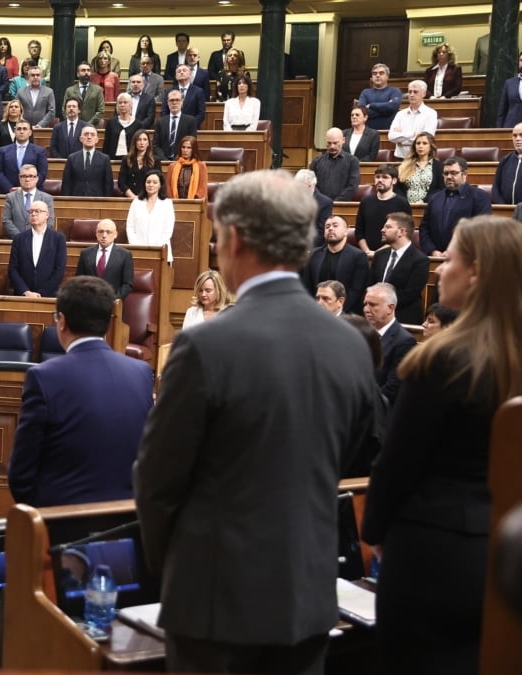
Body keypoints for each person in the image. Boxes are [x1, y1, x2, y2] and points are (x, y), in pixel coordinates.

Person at [135, 170, 380, 675]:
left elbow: (157, 483)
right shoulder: (351, 344)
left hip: (215, 603)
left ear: (235, 239)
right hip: (309, 597)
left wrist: (175, 569)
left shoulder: (206, 345)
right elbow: (347, 453)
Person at [363, 215, 522, 673]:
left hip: (433, 553)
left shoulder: (443, 358)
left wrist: (373, 533)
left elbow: (398, 462)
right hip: (505, 557)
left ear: (475, 273)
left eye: (449, 258)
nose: (440, 268)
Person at [10, 275, 153, 505]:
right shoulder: (141, 374)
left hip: (62, 526)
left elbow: (21, 475)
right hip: (127, 522)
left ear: (62, 321)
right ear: (107, 322)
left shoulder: (43, 377)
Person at [420, 157, 493, 255]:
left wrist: (453, 252)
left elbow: (481, 230)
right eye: (446, 173)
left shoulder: (480, 197)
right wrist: (433, 251)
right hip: (436, 257)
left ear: (465, 174)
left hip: (465, 257)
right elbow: (424, 228)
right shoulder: (435, 198)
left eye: (453, 173)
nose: (449, 177)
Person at [369, 212, 430, 325]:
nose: (382, 230)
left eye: (388, 227)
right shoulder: (379, 255)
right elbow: (371, 284)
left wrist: (382, 304)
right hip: (375, 316)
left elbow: (409, 294)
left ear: (401, 232)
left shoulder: (420, 260)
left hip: (403, 318)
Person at [300, 216, 369, 314]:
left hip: (347, 314)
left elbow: (357, 290)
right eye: (327, 226)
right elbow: (307, 285)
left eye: (335, 226)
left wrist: (338, 312)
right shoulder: (314, 255)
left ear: (346, 231)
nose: (330, 229)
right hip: (316, 311)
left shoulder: (358, 256)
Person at [364, 281, 417, 405]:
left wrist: (363, 404)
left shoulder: (405, 341)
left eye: (372, 305)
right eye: (365, 304)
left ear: (390, 308)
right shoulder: (362, 334)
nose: (366, 309)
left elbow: (393, 388)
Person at [7, 199, 65, 298]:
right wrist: (25, 291)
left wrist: (41, 293)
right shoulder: (19, 239)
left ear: (47, 215)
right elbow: (13, 269)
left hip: (48, 296)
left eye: (37, 211)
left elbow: (59, 269)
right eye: (31, 211)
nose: (33, 214)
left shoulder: (58, 238)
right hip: (22, 296)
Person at [74, 218, 133, 300]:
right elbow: (78, 281)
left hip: (112, 304)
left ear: (115, 234)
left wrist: (113, 299)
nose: (104, 235)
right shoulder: (86, 253)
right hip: (89, 304)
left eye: (108, 232)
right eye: (101, 232)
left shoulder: (125, 255)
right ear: (96, 234)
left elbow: (127, 284)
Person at [388, 80, 438, 160]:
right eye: (410, 92)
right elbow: (391, 137)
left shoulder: (431, 114)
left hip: (420, 158)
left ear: (424, 94)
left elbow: (427, 138)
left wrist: (401, 138)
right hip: (400, 158)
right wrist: (413, 134)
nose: (411, 95)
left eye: (415, 92)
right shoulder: (400, 114)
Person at [0, 120, 48, 193]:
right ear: (14, 132)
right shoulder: (3, 151)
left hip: (32, 192)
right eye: (19, 129)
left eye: (25, 129)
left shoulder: (40, 151)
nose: (21, 131)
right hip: (8, 193)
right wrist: (10, 189)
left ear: (30, 133)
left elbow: (42, 173)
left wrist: (27, 187)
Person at [1, 164, 54, 237]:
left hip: (39, 239)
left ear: (36, 178)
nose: (27, 179)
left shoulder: (47, 198)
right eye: (24, 176)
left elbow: (50, 221)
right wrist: (20, 237)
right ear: (19, 178)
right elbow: (6, 220)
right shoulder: (11, 197)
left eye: (31, 176)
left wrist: (37, 236)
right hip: (16, 240)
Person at [309, 128, 360, 201]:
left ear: (343, 140)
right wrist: (323, 201)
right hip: (321, 205)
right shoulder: (316, 161)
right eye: (329, 143)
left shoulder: (352, 161)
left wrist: (336, 202)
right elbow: (311, 184)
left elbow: (352, 186)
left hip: (341, 206)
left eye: (335, 143)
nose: (332, 146)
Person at [62, 126, 113, 197]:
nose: (89, 137)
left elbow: (108, 184)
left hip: (98, 200)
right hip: (76, 200)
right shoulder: (72, 158)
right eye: (86, 134)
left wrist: (106, 203)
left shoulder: (105, 159)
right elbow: (66, 184)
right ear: (80, 139)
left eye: (92, 135)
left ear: (97, 140)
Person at [394, 131, 443, 204]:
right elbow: (398, 188)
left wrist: (424, 201)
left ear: (431, 146)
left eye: (424, 143)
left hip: (429, 205)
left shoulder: (439, 166)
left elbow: (440, 189)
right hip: (407, 206)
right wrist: (404, 202)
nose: (420, 146)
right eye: (418, 143)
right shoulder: (404, 165)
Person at [154, 89, 198, 161]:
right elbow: (156, 145)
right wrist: (165, 160)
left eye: (177, 100)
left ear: (182, 102)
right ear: (167, 103)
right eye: (171, 100)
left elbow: (192, 143)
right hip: (163, 161)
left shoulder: (190, 121)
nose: (174, 103)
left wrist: (178, 159)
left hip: (183, 160)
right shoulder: (160, 122)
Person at [359, 63, 403, 131]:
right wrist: (387, 110)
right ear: (371, 77)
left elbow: (392, 106)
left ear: (387, 76)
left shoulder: (395, 91)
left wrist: (371, 105)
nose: (377, 75)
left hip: (389, 131)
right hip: (368, 132)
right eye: (375, 73)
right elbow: (362, 111)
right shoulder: (365, 92)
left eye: (381, 73)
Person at [166, 135, 209, 200]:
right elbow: (168, 189)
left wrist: (192, 204)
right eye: (183, 147)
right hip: (174, 203)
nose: (185, 150)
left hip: (194, 205)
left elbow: (202, 189)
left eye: (189, 148)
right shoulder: (172, 166)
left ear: (194, 149)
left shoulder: (201, 166)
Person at [106, 87, 146, 158]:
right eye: (120, 103)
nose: (122, 105)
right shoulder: (111, 122)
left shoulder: (138, 124)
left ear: (130, 104)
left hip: (131, 159)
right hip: (113, 158)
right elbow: (107, 143)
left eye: (125, 102)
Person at [117, 130, 157, 198]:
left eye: (144, 140)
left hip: (148, 198)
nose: (142, 142)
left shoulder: (155, 160)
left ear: (148, 143)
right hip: (129, 198)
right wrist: (133, 197)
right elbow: (121, 182)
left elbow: (158, 181)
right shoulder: (126, 159)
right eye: (139, 140)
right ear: (135, 142)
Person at [491, 123, 522, 205]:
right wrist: (503, 207)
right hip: (506, 212)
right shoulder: (505, 160)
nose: (517, 139)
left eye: (521, 135)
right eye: (515, 136)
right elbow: (496, 188)